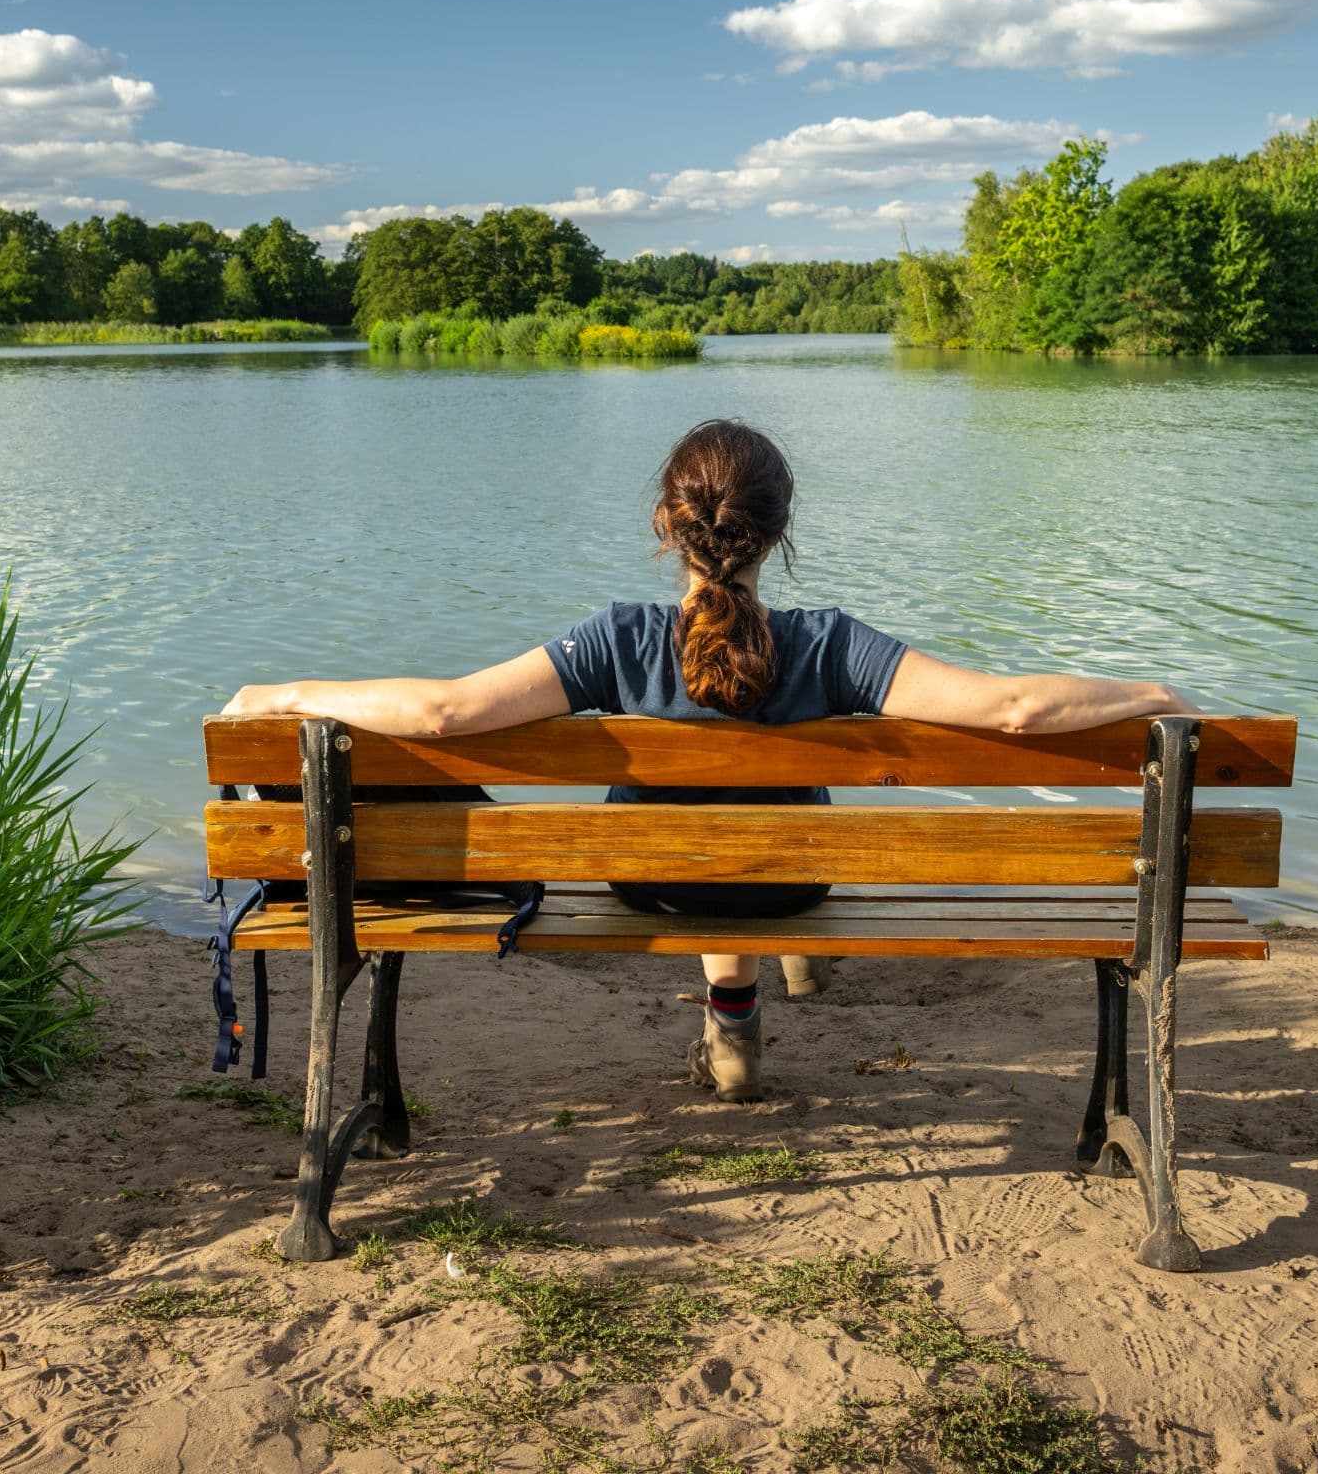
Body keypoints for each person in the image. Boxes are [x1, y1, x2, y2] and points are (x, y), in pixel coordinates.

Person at [221, 417, 1192, 1102]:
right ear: (778, 533)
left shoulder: (617, 639)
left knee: (684, 830)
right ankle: (746, 1000)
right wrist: (1148, 693)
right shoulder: (831, 644)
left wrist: (279, 696)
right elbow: (1015, 708)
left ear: (665, 524)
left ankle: (732, 1015)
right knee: (760, 839)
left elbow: (442, 710)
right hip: (789, 886)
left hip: (649, 882)